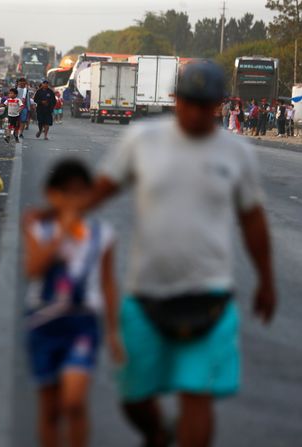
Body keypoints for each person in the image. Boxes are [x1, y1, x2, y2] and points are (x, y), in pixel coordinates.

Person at [81, 61, 276, 447]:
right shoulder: (142, 139)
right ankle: (156, 432)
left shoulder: (237, 151)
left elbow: (253, 221)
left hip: (211, 296)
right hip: (145, 294)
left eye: (206, 105)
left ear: (219, 104)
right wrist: (60, 219)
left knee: (197, 397)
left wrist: (266, 280)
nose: (196, 112)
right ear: (175, 100)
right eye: (189, 102)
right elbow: (101, 190)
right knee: (134, 397)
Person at [24, 159, 123, 447]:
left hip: (82, 324)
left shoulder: (102, 235)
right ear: (51, 195)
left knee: (74, 401)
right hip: (43, 323)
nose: (73, 200)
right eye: (65, 192)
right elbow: (34, 269)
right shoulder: (37, 228)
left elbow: (108, 283)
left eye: (80, 193)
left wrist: (113, 332)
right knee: (50, 407)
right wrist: (61, 232)